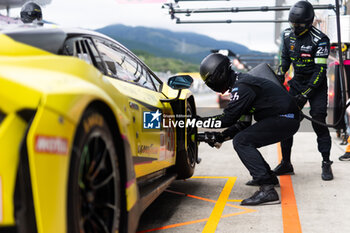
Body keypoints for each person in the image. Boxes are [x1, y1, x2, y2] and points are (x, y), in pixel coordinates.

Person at [198, 53, 300, 205]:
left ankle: (267, 190)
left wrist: (196, 122)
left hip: (286, 119)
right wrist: (221, 137)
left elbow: (227, 119)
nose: (210, 85)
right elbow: (242, 124)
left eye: (210, 81)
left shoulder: (242, 87)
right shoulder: (240, 84)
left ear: (219, 75)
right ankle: (269, 177)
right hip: (286, 119)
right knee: (244, 138)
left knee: (242, 141)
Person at [274, 0, 333, 180]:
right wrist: (279, 73)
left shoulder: (321, 40)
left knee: (318, 122)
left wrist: (305, 95)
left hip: (317, 85)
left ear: (309, 23)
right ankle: (286, 163)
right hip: (297, 81)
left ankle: (326, 162)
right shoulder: (286, 35)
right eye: (293, 24)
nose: (295, 28)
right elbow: (285, 60)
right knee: (285, 121)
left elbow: (320, 72)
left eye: (299, 25)